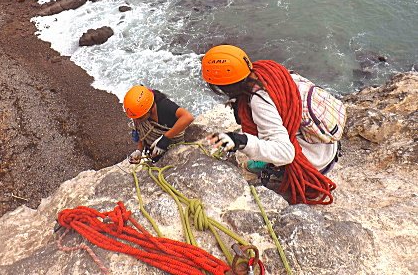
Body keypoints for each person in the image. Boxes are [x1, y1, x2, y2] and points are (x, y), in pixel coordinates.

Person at [201, 44, 340, 205]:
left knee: (273, 152)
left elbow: (286, 153)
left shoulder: (260, 100)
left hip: (314, 161)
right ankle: (266, 157)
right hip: (326, 147)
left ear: (223, 87)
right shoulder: (268, 72)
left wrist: (241, 141)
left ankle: (273, 167)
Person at [123, 85, 194, 163]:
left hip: (173, 144)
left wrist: (166, 138)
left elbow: (188, 117)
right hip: (154, 149)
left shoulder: (165, 106)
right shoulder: (139, 113)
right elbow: (141, 132)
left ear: (151, 109)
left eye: (140, 118)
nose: (137, 121)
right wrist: (139, 151)